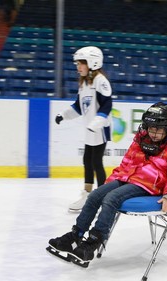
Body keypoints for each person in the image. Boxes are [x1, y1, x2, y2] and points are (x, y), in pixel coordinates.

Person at [47, 102, 167, 267]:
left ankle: (93, 242)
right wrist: (111, 181)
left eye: (159, 130)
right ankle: (75, 235)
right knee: (95, 195)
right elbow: (126, 163)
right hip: (127, 178)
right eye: (151, 128)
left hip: (148, 186)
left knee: (111, 199)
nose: (154, 133)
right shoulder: (141, 140)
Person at [55, 46, 113, 212]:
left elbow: (107, 105)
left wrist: (96, 123)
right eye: (78, 64)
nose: (78, 67)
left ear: (92, 63)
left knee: (96, 162)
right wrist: (63, 115)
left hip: (100, 129)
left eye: (81, 63)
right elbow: (79, 107)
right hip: (90, 129)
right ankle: (87, 193)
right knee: (87, 160)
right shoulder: (84, 83)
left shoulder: (100, 81)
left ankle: (102, 196)